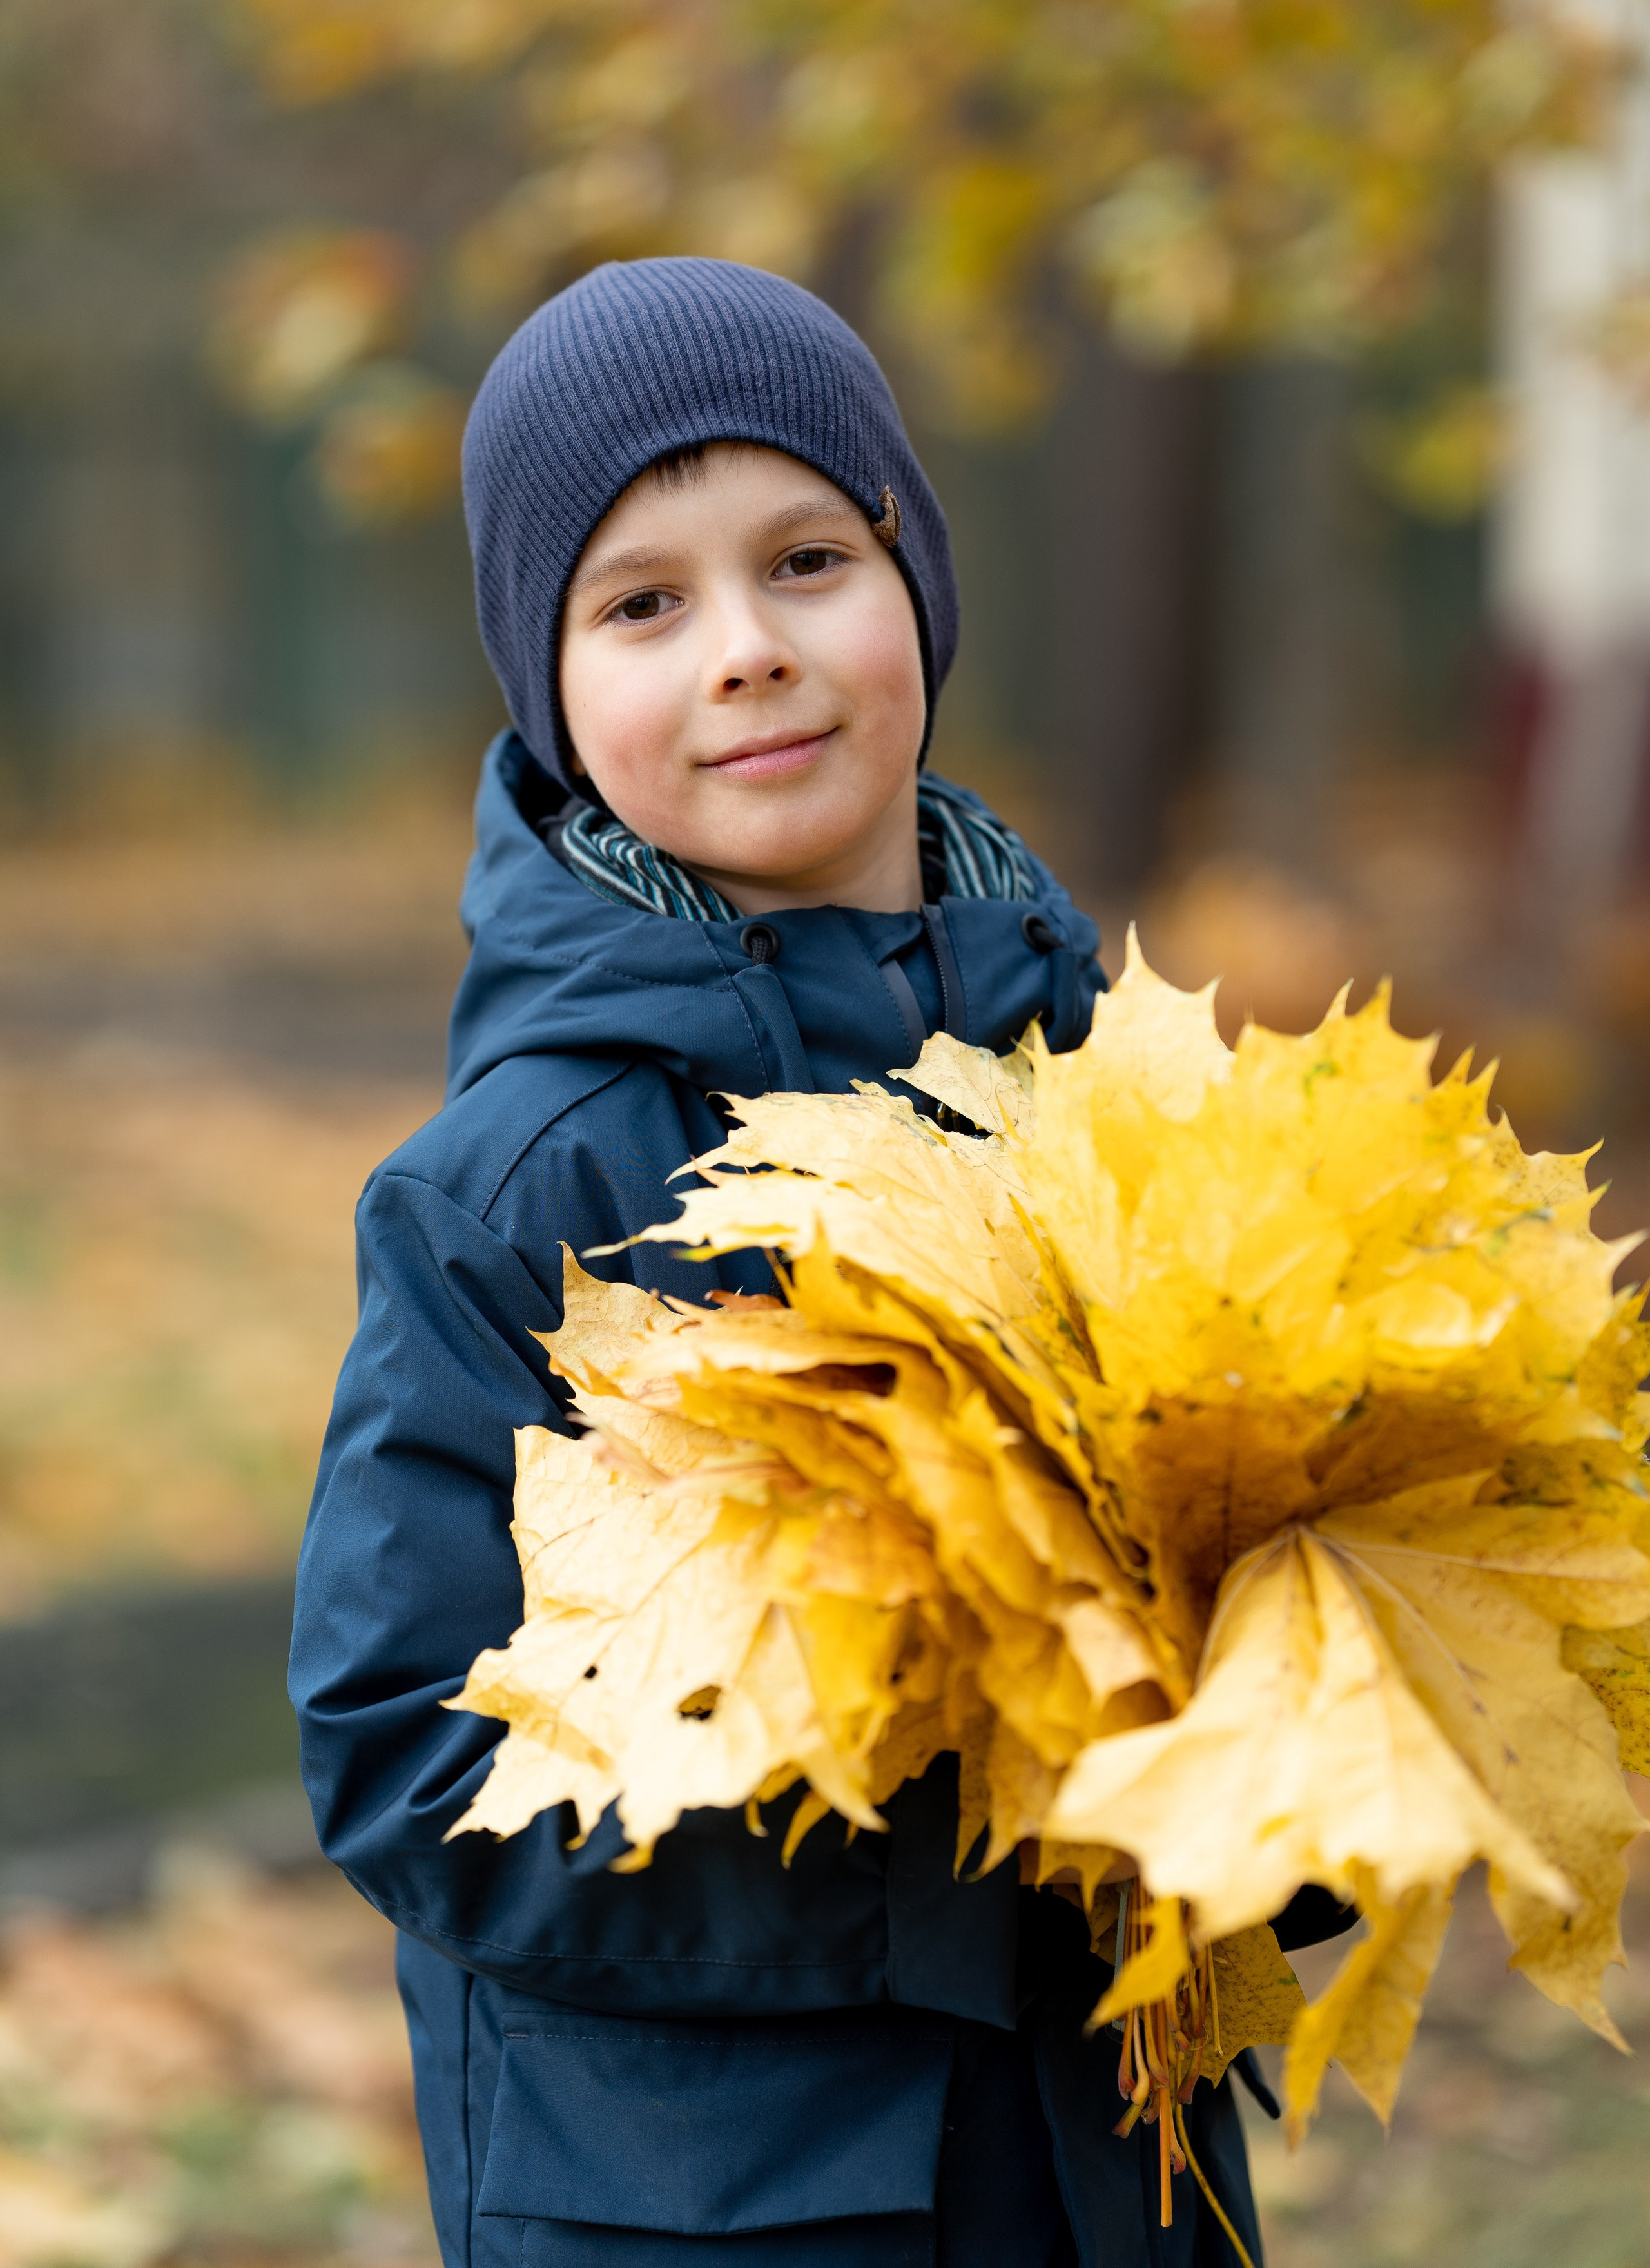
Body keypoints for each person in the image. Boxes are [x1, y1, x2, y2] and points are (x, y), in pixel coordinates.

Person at [291, 257, 1347, 2268]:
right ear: (549, 681)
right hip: (712, 2216)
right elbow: (406, 1750)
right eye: (644, 603)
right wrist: (948, 1850)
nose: (748, 652)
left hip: (1110, 2180)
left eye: (805, 559)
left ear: (917, 589)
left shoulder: (1102, 1096)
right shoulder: (518, 1184)